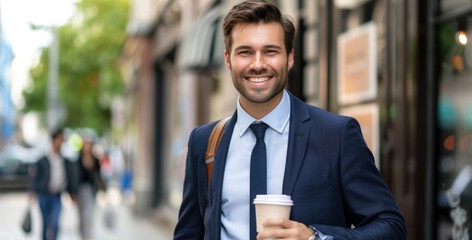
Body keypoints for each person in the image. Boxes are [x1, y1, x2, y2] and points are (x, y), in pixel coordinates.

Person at [173, 0, 407, 240]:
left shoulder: (335, 135)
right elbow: (189, 233)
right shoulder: (204, 142)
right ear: (228, 59)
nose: (258, 64)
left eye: (270, 51)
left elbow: (391, 227)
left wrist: (314, 237)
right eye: (245, 52)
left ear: (290, 57)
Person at [29, 128, 78, 240]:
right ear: (53, 140)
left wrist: (72, 193)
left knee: (55, 224)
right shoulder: (42, 160)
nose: (61, 142)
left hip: (57, 196)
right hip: (44, 195)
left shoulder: (65, 161)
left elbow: (69, 178)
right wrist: (32, 191)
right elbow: (35, 177)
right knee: (45, 224)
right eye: (59, 139)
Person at [75, 135, 106, 240]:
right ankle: (83, 234)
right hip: (80, 190)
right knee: (81, 215)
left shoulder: (95, 160)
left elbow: (98, 175)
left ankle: (88, 236)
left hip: (91, 190)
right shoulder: (78, 159)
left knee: (89, 214)